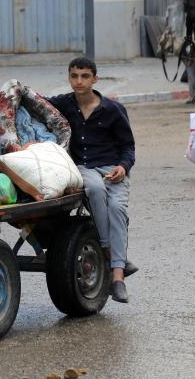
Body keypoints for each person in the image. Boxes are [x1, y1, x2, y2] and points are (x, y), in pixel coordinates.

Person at [48, 57, 137, 304]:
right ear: (69, 77)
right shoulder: (64, 104)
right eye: (74, 76)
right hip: (84, 168)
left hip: (113, 168)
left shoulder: (113, 110)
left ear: (95, 79)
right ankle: (111, 255)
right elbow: (36, 101)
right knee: (95, 189)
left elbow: (128, 147)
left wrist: (122, 167)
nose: (79, 81)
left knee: (117, 208)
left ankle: (117, 280)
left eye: (85, 76)